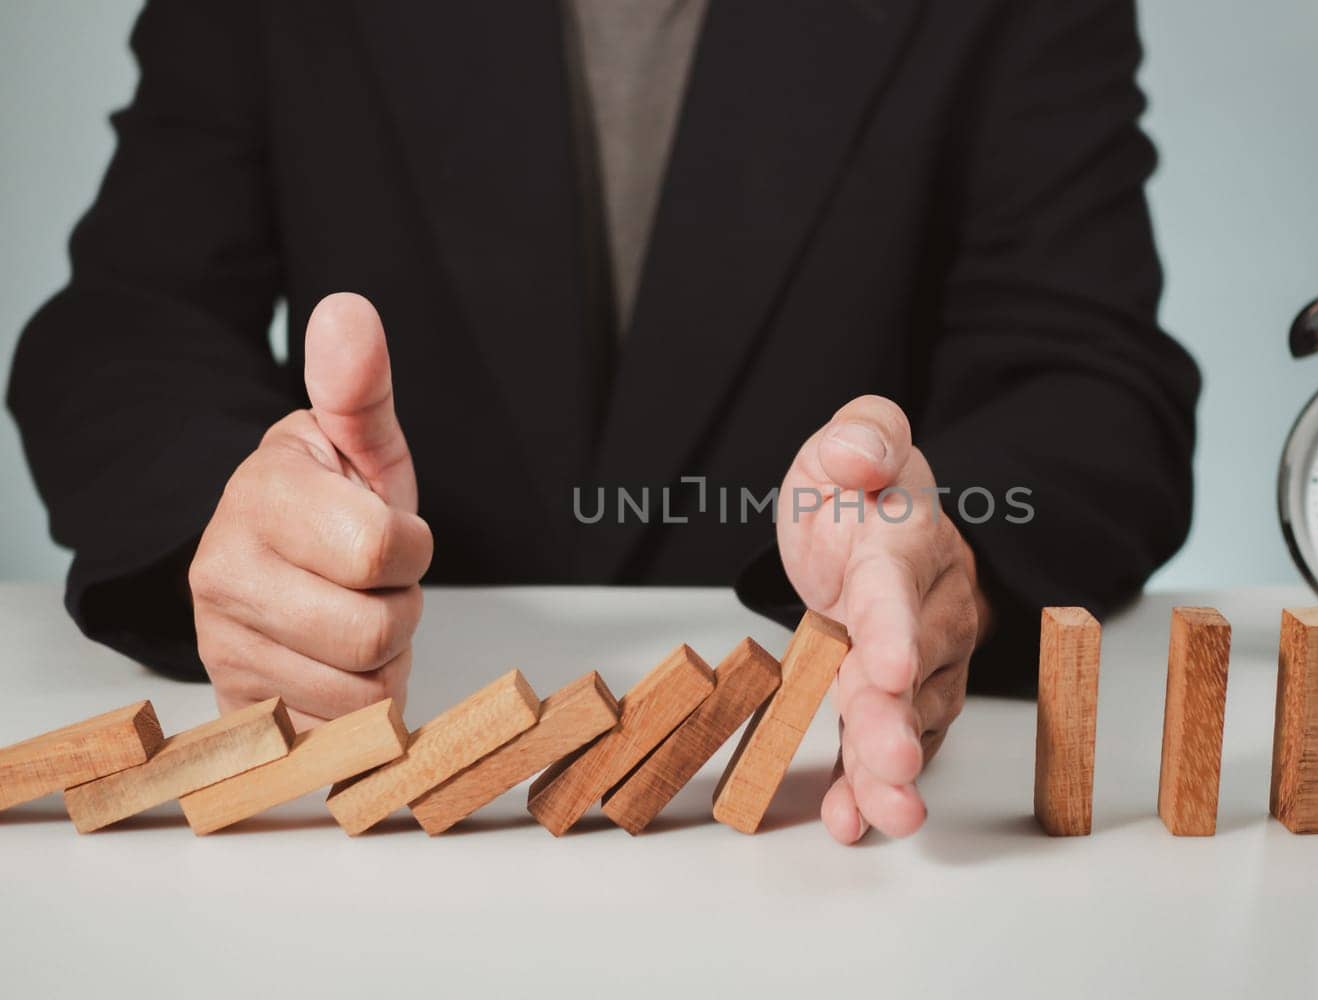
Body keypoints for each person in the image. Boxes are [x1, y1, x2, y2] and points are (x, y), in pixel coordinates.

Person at [7, 0, 1199, 844]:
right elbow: (119, 330)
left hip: (808, 851)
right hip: (389, 810)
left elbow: (1093, 384)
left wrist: (948, 554)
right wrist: (243, 517)